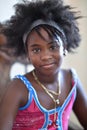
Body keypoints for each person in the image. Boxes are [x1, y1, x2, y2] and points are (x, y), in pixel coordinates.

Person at [0, 0, 87, 129]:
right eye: (36, 50)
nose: (46, 56)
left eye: (53, 47)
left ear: (65, 48)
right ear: (27, 54)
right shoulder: (18, 88)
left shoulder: (71, 80)